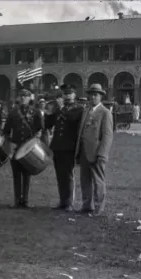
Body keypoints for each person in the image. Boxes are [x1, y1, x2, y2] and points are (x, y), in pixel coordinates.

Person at [75, 83, 113, 215]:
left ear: (101, 96)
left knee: (98, 181)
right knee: (85, 180)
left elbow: (107, 136)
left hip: (97, 153)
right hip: (84, 152)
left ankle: (98, 208)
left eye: (96, 94)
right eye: (91, 94)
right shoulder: (86, 110)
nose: (93, 97)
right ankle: (87, 205)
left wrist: (102, 154)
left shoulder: (105, 113)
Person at [45, 84, 84, 212]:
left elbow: (72, 119)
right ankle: (62, 201)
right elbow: (48, 125)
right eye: (65, 94)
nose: (67, 96)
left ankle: (69, 202)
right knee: (59, 175)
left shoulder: (78, 108)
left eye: (69, 93)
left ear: (74, 95)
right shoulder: (58, 109)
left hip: (69, 146)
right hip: (58, 146)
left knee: (68, 175)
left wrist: (61, 108)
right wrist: (49, 113)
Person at [3, 88, 44, 208]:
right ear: (18, 98)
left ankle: (25, 200)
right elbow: (6, 130)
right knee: (16, 174)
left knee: (27, 174)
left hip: (28, 148)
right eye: (21, 96)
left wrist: (36, 139)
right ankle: (17, 200)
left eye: (25, 96)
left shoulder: (35, 112)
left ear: (29, 98)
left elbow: (40, 128)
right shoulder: (13, 112)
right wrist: (9, 143)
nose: (22, 98)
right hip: (16, 146)